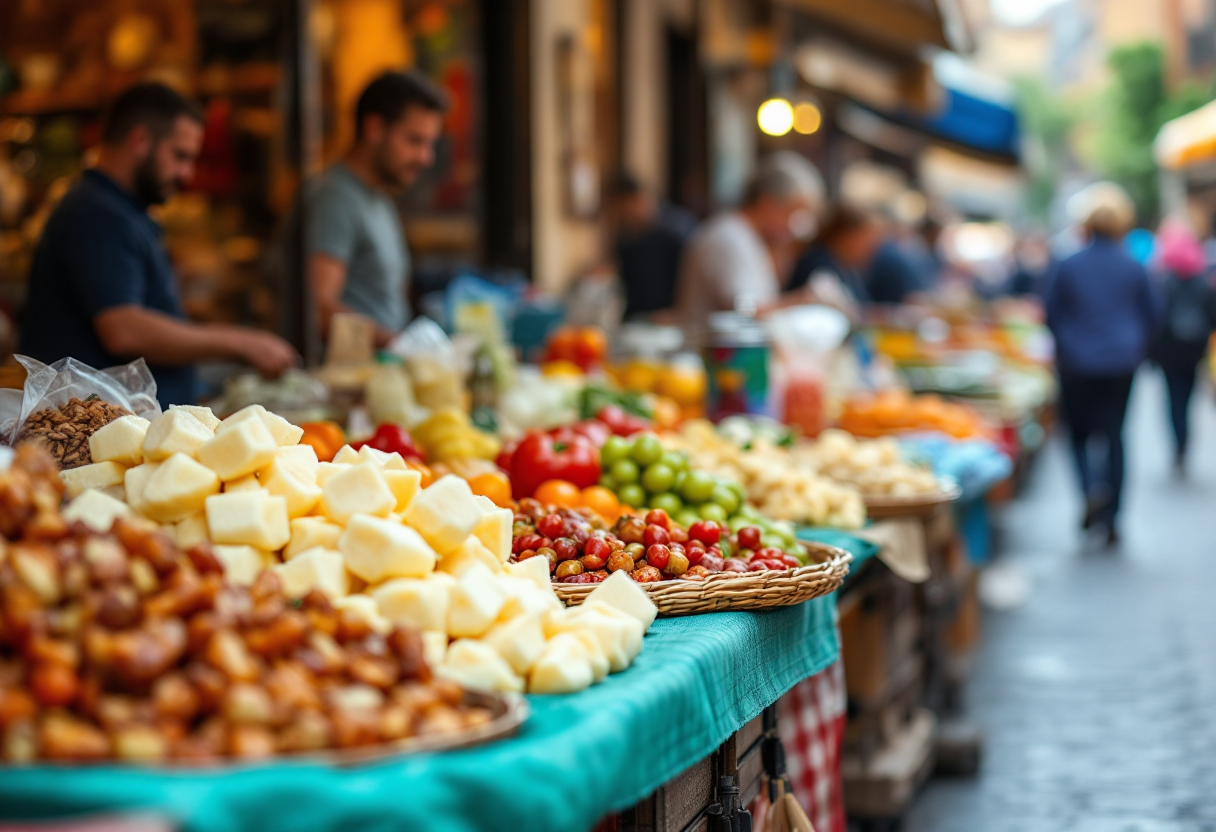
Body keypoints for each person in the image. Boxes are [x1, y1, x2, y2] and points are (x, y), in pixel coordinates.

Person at [19, 83, 298, 408]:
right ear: (140, 140)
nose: (187, 174)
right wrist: (240, 342)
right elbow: (124, 329)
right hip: (103, 435)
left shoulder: (118, 207)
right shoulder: (96, 213)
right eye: (180, 156)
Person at [1044, 183, 1159, 546]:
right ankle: (1112, 516)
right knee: (1114, 435)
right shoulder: (1133, 267)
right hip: (1120, 362)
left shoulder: (1068, 264)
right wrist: (1135, 346)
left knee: (1078, 435)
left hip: (1077, 362)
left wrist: (1067, 343)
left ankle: (1091, 490)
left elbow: (1050, 311)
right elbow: (1154, 314)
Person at [303, 71, 447, 347]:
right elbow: (318, 311)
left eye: (430, 144)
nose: (426, 158)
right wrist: (402, 345)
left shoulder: (378, 196)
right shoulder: (334, 199)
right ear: (374, 128)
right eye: (414, 141)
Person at [675, 152, 823, 339]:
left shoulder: (749, 237)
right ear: (767, 203)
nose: (794, 226)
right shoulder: (728, 239)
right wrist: (805, 301)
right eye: (792, 214)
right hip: (718, 361)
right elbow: (744, 312)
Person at [1150, 219, 1216, 473]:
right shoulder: (1202, 279)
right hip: (1193, 347)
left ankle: (1178, 442)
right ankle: (1184, 440)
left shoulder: (1161, 279)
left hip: (1169, 349)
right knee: (1187, 396)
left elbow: (1154, 317)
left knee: (1171, 397)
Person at [608, 173, 696, 320]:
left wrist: (678, 311)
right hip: (637, 320)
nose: (622, 214)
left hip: (669, 319)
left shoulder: (676, 229)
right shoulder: (627, 237)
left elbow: (689, 279)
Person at [785, 204, 880, 320]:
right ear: (845, 236)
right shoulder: (818, 262)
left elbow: (861, 307)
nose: (872, 247)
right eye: (866, 239)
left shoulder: (847, 266)